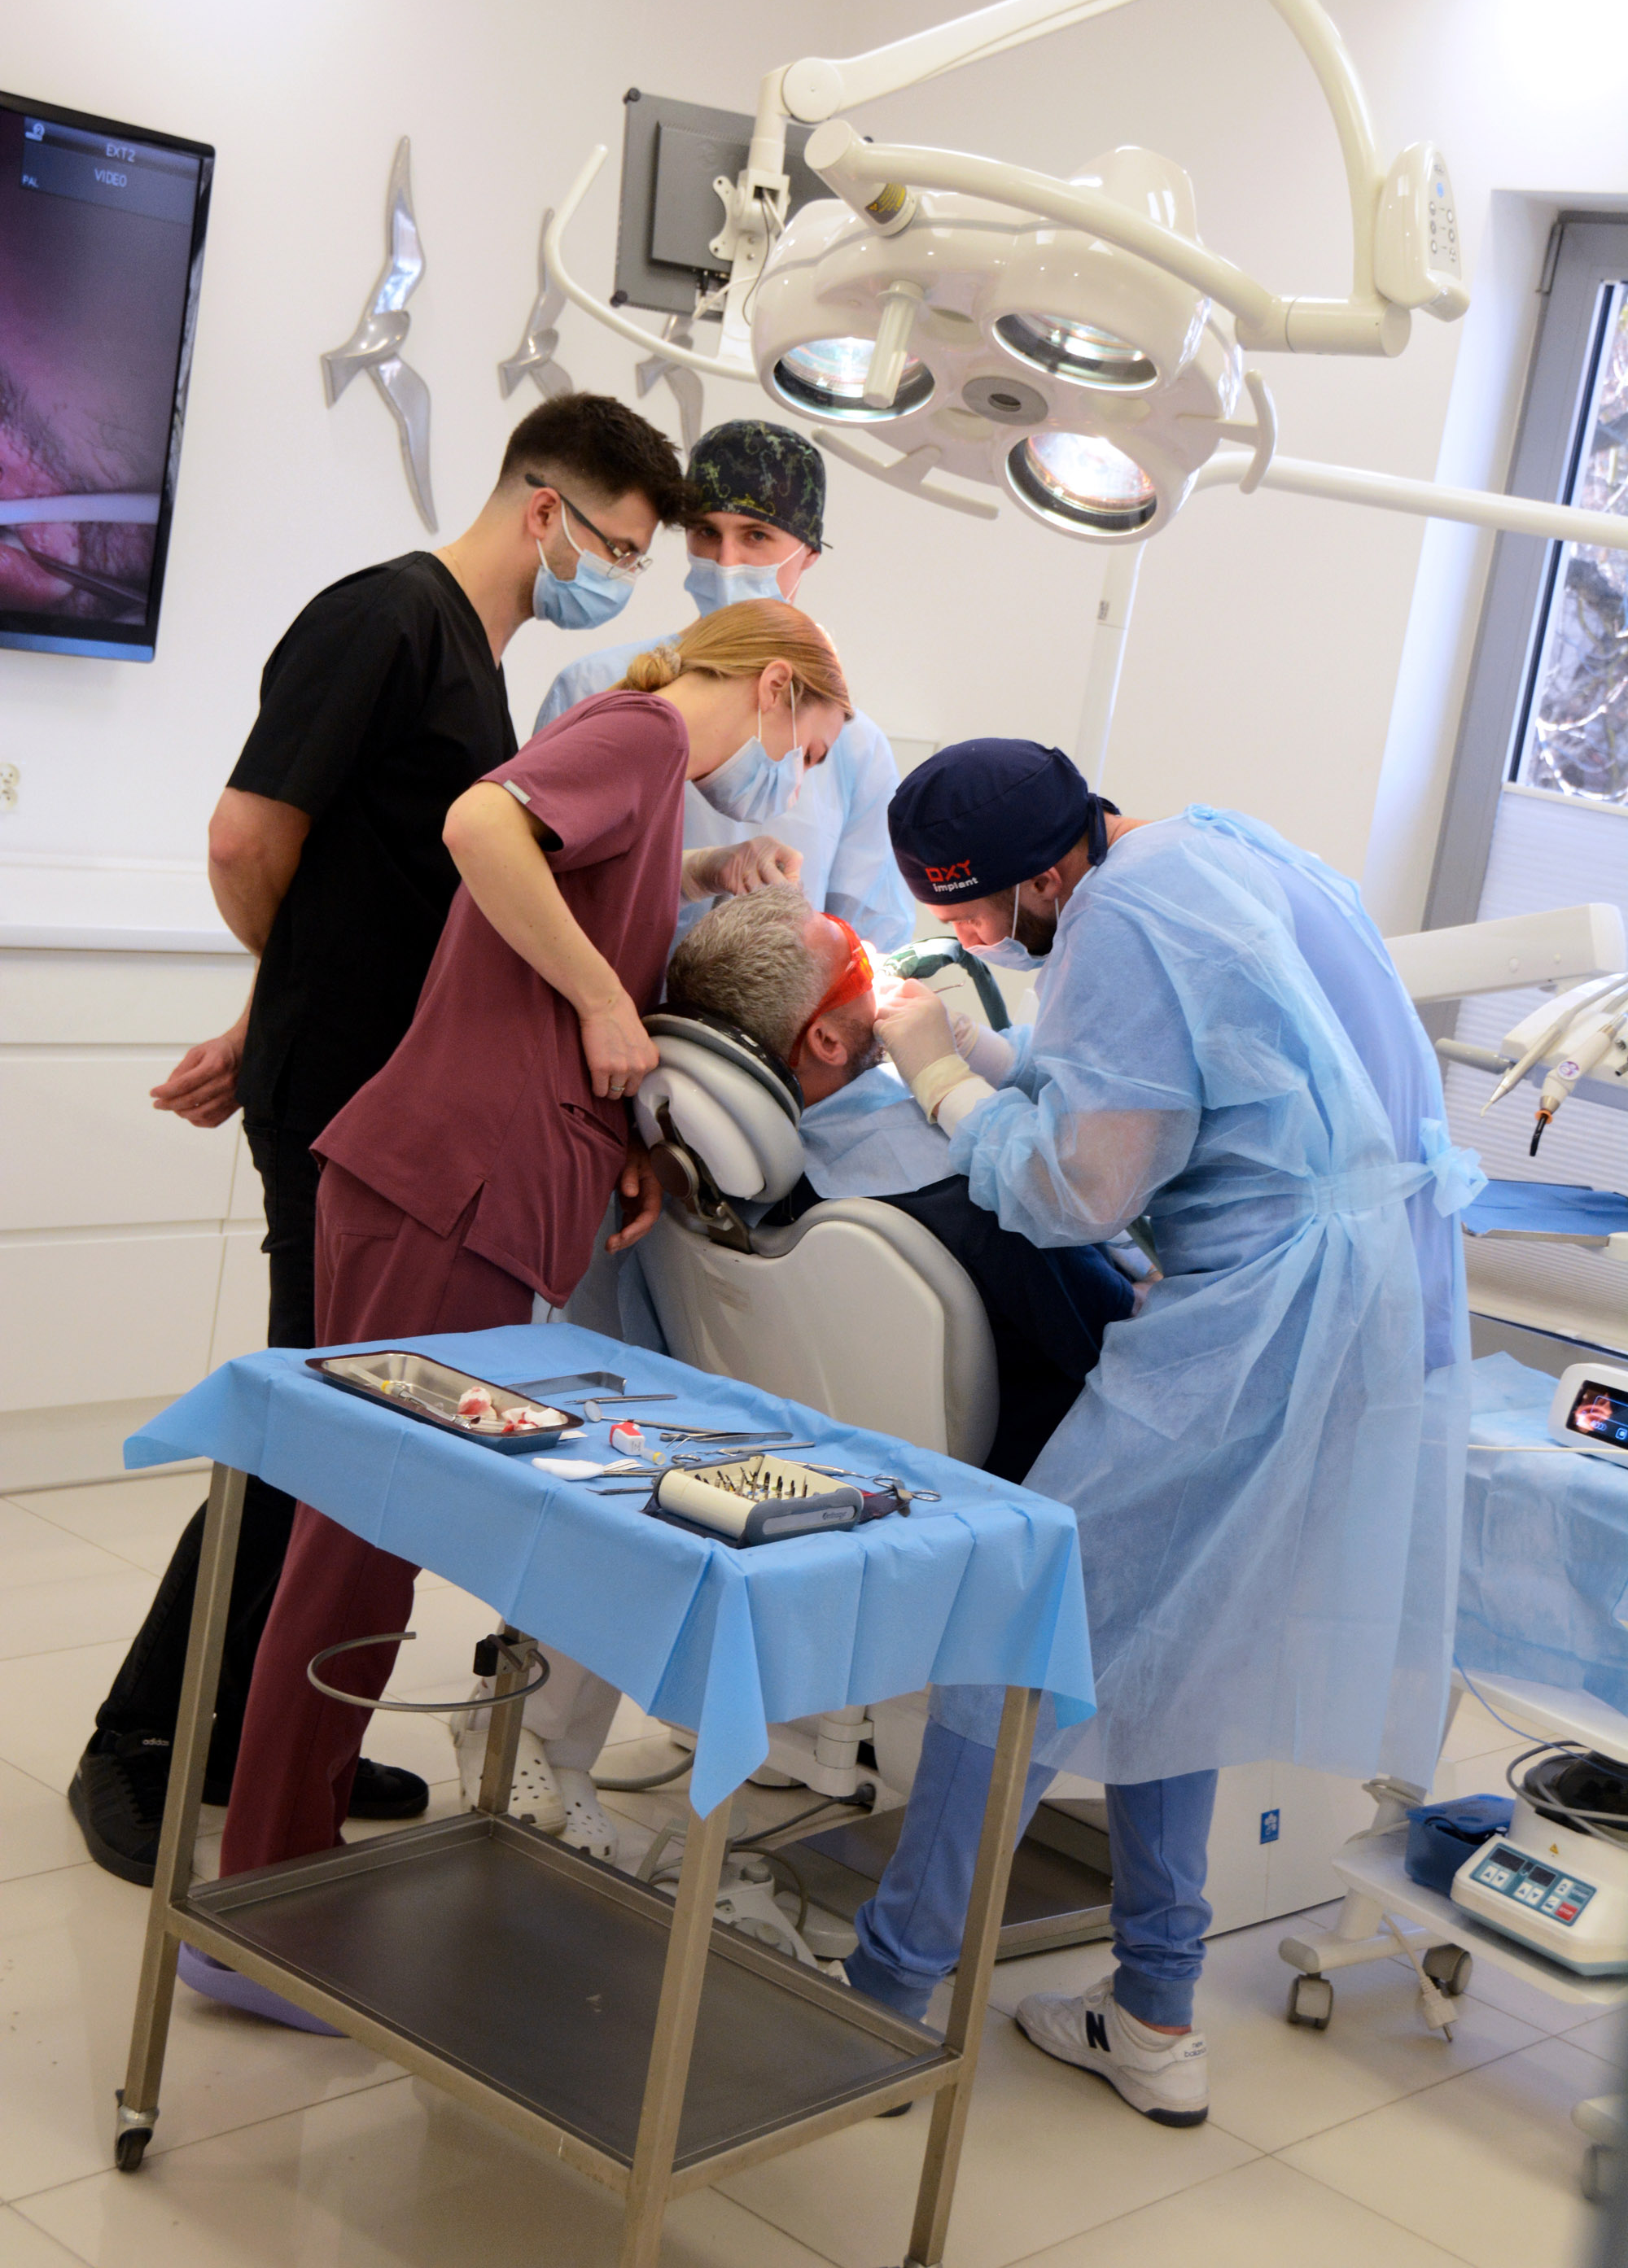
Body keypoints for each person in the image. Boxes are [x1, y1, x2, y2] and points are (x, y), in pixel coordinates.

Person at [190, 602, 851, 2030]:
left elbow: (556, 918)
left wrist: (617, 1124)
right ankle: (262, 1915)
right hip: (448, 1188)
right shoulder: (645, 733)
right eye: (811, 747)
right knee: (356, 1550)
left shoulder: (648, 778)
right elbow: (481, 827)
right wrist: (609, 1005)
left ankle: (275, 1882)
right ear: (779, 687)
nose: (799, 778)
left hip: (465, 1183)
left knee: (370, 1544)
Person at [68, 392, 694, 1886]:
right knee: (307, 1431)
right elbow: (248, 841)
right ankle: (138, 1744)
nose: (617, 579)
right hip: (348, 1106)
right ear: (545, 511)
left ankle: (257, 1733)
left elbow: (379, 890)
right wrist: (290, 1003)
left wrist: (267, 1017)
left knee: (344, 1441)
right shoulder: (388, 620)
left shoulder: (474, 666)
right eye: (618, 548)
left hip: (378, 1093)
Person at [837, 740, 1480, 2130]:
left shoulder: (1117, 915)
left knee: (1018, 1638)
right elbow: (1188, 1070)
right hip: (1391, 1295)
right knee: (1172, 1644)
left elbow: (1081, 1188)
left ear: (1046, 873)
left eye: (977, 913)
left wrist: (944, 1086)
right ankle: (1154, 2016)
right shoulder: (1217, 847)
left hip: (1262, 1324)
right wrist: (1004, 1055)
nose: (974, 941)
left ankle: (881, 2002)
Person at [663, 884, 1136, 1479]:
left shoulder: (723, 1173)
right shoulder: (973, 1194)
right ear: (827, 1041)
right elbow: (1114, 1332)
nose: (880, 962)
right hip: (1036, 1474)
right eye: (858, 964)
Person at [533, 419, 916, 951]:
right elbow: (531, 878)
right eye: (706, 533)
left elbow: (869, 941)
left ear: (808, 555)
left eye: (756, 536)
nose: (726, 562)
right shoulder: (594, 687)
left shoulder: (849, 744)